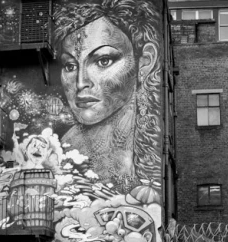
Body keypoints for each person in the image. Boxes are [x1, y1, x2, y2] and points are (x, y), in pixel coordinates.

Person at [53, 0, 162, 196]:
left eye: (103, 61)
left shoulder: (151, 148)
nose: (80, 83)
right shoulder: (61, 148)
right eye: (70, 66)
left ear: (144, 63)